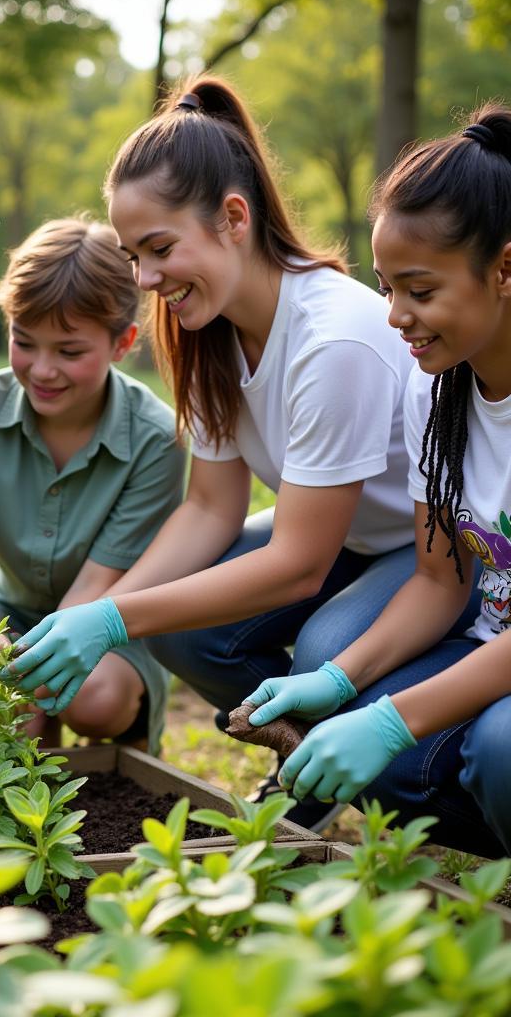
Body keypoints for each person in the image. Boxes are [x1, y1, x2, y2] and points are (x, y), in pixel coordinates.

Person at [0, 76, 452, 831]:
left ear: (233, 218)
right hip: (348, 543)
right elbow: (212, 507)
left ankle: (367, 771)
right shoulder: (208, 332)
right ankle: (307, 754)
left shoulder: (332, 339)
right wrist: (108, 614)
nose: (144, 279)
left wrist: (112, 621)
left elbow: (298, 564)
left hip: (430, 552)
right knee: (180, 622)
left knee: (324, 648)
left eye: (159, 249)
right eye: (133, 255)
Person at [245, 105, 511, 858]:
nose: (395, 316)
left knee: (500, 748)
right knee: (367, 721)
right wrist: (339, 678)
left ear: (506, 268)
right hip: (490, 643)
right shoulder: (439, 386)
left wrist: (396, 719)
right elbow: (437, 578)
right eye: (388, 287)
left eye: (419, 291)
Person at [0, 218, 186, 751]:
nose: (42, 370)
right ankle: (32, 749)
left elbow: (97, 587)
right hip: (8, 615)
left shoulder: (155, 438)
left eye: (68, 351)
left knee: (95, 698)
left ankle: (122, 746)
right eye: (25, 341)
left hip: (108, 625)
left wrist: (33, 681)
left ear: (122, 343)